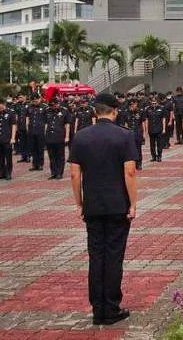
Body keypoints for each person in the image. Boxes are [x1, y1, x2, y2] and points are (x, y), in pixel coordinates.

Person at [68, 93, 137, 326]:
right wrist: (133, 202)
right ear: (114, 111)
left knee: (96, 256)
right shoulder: (124, 136)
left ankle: (98, 308)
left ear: (94, 112)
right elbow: (129, 172)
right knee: (114, 256)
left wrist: (79, 202)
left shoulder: (80, 137)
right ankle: (112, 306)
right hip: (118, 204)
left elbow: (74, 174)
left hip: (93, 205)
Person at [0, 99, 17, 181]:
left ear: (4, 104)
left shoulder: (10, 113)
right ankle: (1, 173)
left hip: (7, 138)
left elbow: (14, 125)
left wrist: (13, 138)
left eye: (0, 106)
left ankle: (8, 173)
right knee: (0, 157)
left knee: (8, 157)